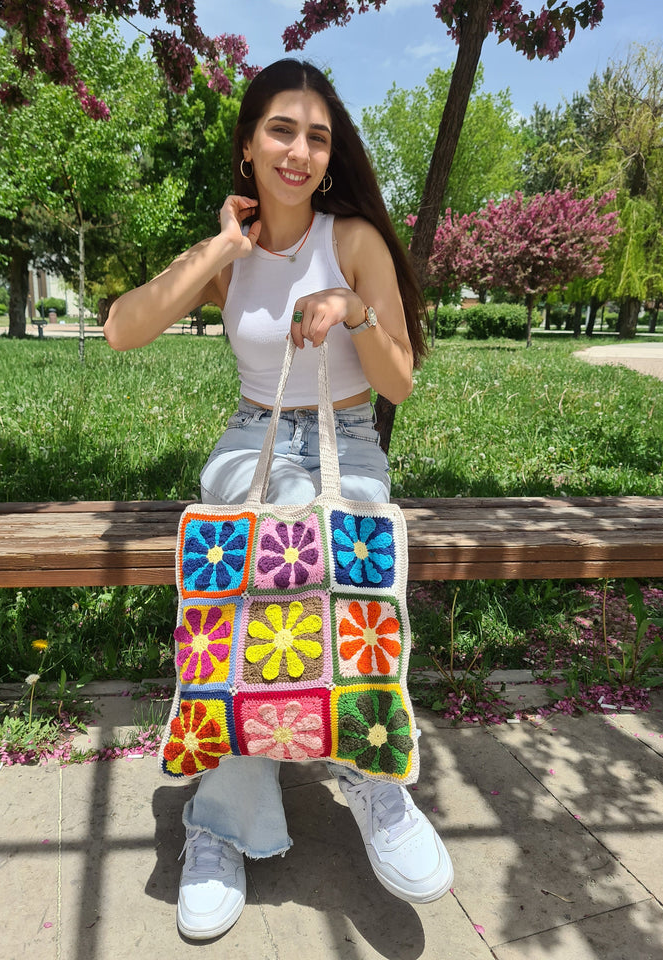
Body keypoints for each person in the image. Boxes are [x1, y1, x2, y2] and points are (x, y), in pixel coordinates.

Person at [104, 58, 453, 941]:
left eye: (318, 136)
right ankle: (223, 822)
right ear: (251, 145)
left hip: (347, 443)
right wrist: (223, 249)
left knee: (322, 548)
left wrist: (355, 311)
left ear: (332, 157)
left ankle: (371, 769)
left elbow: (401, 384)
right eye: (282, 131)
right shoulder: (231, 246)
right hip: (251, 441)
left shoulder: (355, 239)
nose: (299, 151)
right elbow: (123, 328)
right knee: (255, 565)